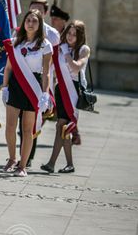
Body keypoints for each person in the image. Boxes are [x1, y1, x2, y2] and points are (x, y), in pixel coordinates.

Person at [2, 9, 52, 177]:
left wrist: (45, 93)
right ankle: (11, 158)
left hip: (33, 87)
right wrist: (5, 87)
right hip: (16, 85)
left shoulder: (45, 45)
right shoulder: (15, 42)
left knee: (27, 129)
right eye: (28, 20)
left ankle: (22, 165)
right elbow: (8, 68)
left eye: (34, 21)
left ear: (40, 25)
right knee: (10, 126)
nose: (31, 23)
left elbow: (46, 72)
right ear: (24, 23)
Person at [16, 0, 60, 168]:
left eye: (39, 10)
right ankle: (22, 155)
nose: (35, 12)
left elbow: (53, 64)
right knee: (21, 123)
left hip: (41, 81)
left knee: (34, 122)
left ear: (45, 13)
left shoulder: (52, 35)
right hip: (21, 82)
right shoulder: (20, 32)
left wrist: (47, 91)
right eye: (32, 8)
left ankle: (28, 157)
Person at [41, 20, 90, 174]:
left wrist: (67, 54)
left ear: (80, 36)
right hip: (60, 90)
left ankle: (51, 163)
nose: (70, 36)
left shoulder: (83, 49)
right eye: (69, 33)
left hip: (74, 91)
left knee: (62, 126)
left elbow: (76, 67)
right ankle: (68, 164)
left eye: (74, 34)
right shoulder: (61, 47)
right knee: (63, 129)